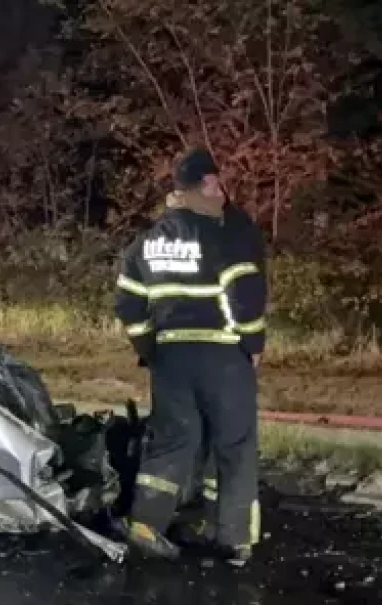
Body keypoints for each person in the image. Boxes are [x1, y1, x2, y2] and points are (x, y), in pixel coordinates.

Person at [114, 147, 267, 566]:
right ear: (208, 184)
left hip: (170, 358)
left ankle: (146, 525)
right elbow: (245, 295)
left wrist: (149, 348)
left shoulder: (144, 244)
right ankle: (233, 539)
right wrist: (253, 344)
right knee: (234, 443)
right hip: (223, 357)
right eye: (217, 184)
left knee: (172, 439)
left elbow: (128, 304)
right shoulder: (220, 236)